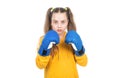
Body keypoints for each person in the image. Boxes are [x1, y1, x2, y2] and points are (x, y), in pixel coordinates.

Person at [35, 7, 88, 78]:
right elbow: (40, 65)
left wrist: (79, 50)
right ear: (50, 22)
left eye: (63, 22)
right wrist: (45, 49)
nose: (59, 26)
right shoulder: (43, 39)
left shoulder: (73, 38)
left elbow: (84, 63)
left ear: (68, 22)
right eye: (55, 22)